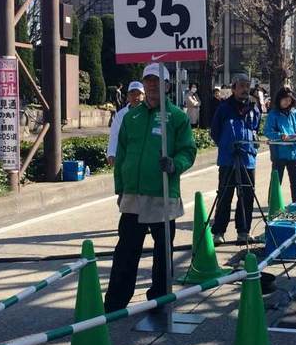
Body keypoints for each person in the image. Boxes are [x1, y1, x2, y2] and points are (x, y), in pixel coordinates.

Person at [104, 64, 196, 315]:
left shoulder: (176, 117)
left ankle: (159, 300)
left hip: (162, 193)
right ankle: (115, 303)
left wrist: (175, 164)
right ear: (144, 84)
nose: (153, 85)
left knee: (162, 252)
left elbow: (188, 150)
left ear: (167, 85)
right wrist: (120, 188)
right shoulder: (131, 117)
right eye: (149, 81)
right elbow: (122, 153)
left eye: (157, 81)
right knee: (126, 250)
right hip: (133, 195)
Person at [210, 73, 261, 245]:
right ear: (233, 88)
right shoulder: (224, 108)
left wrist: (252, 143)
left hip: (247, 157)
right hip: (228, 158)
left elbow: (255, 128)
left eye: (247, 86)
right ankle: (218, 231)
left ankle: (243, 231)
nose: (245, 89)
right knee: (225, 195)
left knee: (247, 195)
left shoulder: (254, 107)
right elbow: (215, 131)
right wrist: (226, 145)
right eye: (241, 86)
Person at [264, 87, 296, 202]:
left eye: (289, 100)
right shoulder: (273, 114)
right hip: (279, 153)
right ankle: (273, 204)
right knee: (276, 182)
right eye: (285, 99)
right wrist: (280, 136)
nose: (287, 102)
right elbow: (267, 131)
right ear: (279, 99)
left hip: (294, 153)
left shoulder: (295, 113)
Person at [106, 80, 144, 165]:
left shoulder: (149, 113)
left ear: (144, 96)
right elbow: (114, 134)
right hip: (126, 156)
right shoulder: (121, 114)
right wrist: (111, 153)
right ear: (128, 96)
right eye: (132, 93)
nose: (135, 97)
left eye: (138, 94)